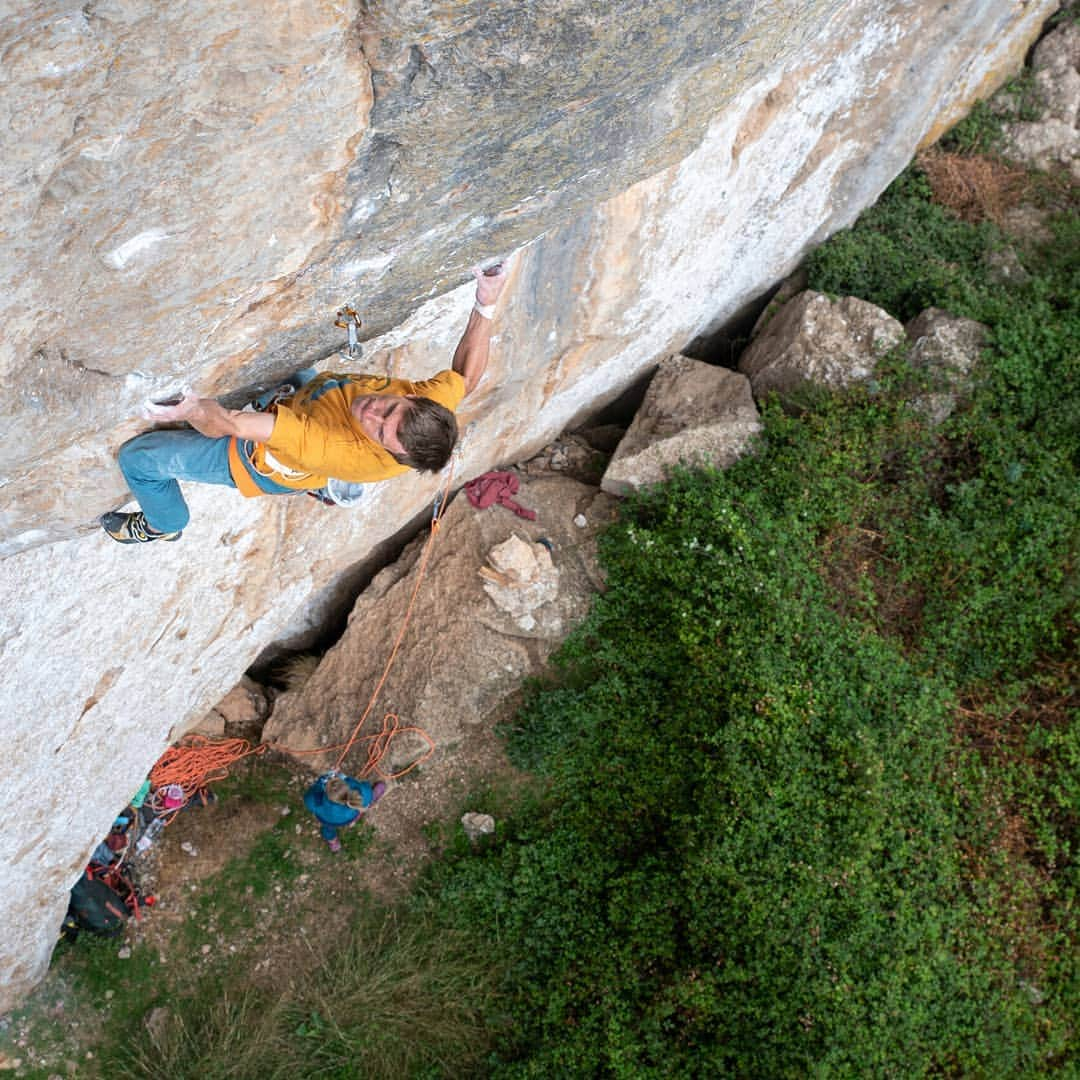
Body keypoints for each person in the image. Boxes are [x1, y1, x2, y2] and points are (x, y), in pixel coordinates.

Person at [101, 262, 510, 544]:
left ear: (385, 450)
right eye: (388, 409)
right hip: (311, 401)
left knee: (140, 459)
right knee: (300, 380)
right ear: (413, 398)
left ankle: (165, 524)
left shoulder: (334, 447)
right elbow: (466, 378)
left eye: (378, 431)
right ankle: (318, 485)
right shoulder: (430, 403)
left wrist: (188, 409)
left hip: (255, 460)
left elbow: (235, 425)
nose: (371, 412)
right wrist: (486, 302)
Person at [303, 773, 386, 853]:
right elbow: (365, 787)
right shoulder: (355, 789)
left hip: (327, 820)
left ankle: (333, 843)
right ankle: (372, 800)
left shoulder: (315, 800)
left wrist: (322, 780)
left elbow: (308, 797)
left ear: (326, 791)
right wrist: (347, 779)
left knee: (328, 829)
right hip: (350, 817)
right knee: (365, 800)